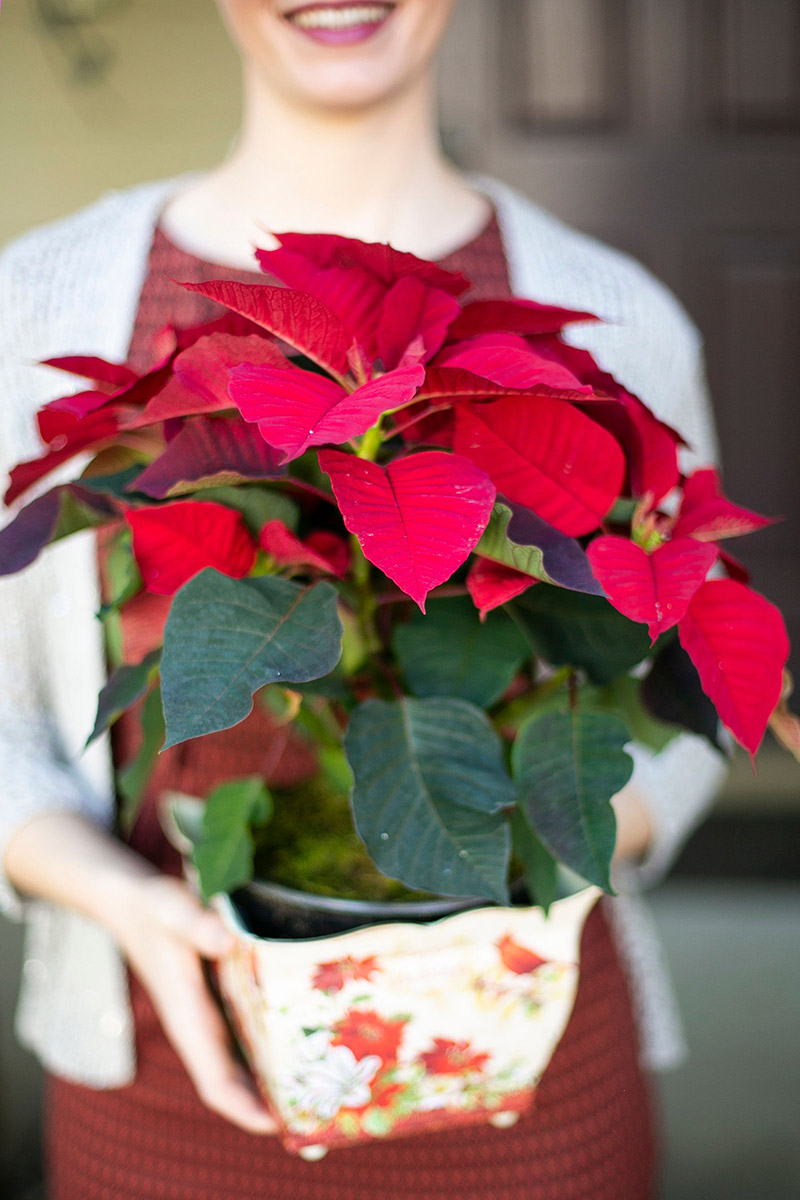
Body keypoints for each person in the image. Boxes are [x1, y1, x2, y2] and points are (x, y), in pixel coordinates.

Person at [0, 2, 727, 1196]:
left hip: (526, 1088)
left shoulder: (618, 314)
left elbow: (694, 696)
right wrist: (122, 904)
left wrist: (550, 867)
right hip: (161, 1077)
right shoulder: (39, 300)